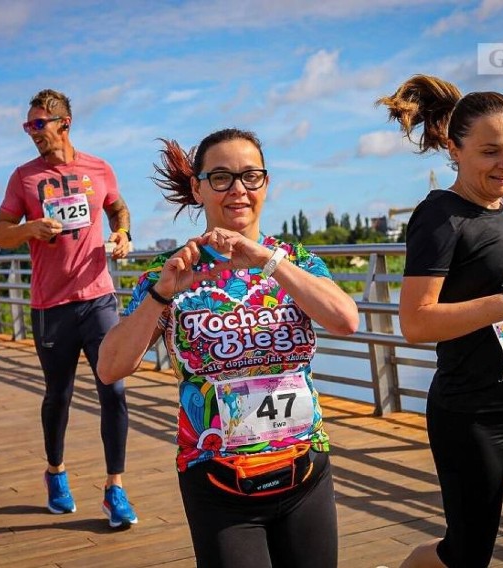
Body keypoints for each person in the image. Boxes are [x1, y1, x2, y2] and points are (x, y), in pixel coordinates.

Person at [97, 128, 360, 567]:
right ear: (198, 188)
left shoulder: (298, 261)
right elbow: (109, 368)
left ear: (266, 184)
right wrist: (162, 294)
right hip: (217, 480)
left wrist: (267, 262)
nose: (238, 189)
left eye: (250, 176)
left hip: (305, 469)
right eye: (221, 177)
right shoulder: (173, 274)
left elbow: (345, 319)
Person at [377, 75, 503, 568]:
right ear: (454, 148)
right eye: (491, 151)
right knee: (467, 553)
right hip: (472, 414)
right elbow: (416, 323)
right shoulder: (439, 218)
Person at [0, 88, 138, 527]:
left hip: (98, 298)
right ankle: (56, 473)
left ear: (64, 124)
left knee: (113, 388)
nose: (33, 133)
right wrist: (30, 228)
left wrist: (124, 235)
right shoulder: (24, 178)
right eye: (27, 126)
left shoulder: (99, 167)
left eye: (39, 124)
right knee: (60, 395)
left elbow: (119, 208)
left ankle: (115, 488)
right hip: (50, 304)